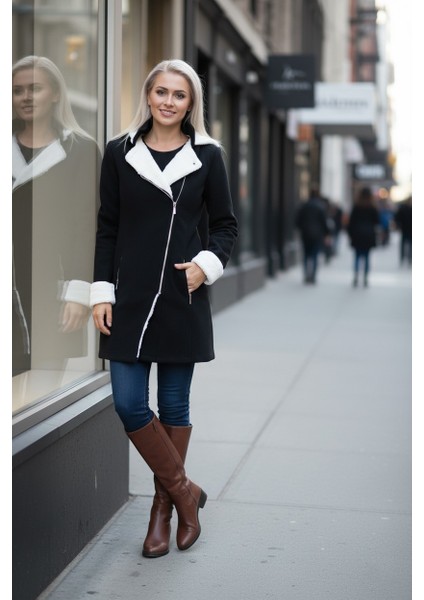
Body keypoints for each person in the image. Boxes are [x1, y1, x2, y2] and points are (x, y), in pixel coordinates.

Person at [90, 59, 238, 558]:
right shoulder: (119, 152)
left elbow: (226, 225)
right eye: (161, 92)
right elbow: (108, 227)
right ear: (148, 95)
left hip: (182, 297)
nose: (168, 102)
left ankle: (162, 510)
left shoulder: (207, 156)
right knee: (129, 403)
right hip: (128, 298)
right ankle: (184, 493)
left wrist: (204, 266)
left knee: (174, 407)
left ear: (191, 103)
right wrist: (101, 291)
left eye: (179, 94)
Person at [12, 55, 101, 376]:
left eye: (35, 88)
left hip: (53, 291)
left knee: (43, 390)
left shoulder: (81, 150)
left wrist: (79, 293)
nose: (25, 97)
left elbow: (86, 226)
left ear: (55, 94)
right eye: (17, 90)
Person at [295, 186, 330, 284]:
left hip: (306, 233)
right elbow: (324, 222)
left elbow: (298, 221)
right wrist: (326, 233)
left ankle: (306, 275)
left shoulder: (304, 206)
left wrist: (302, 228)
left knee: (306, 255)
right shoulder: (320, 207)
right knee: (314, 255)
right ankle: (313, 276)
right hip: (317, 234)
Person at [347, 187, 380, 287]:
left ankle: (356, 276)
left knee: (357, 256)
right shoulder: (372, 207)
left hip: (357, 234)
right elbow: (377, 221)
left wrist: (350, 234)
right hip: (368, 235)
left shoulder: (357, 206)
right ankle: (365, 278)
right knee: (366, 257)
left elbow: (351, 222)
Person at [394, 195, 412, 266]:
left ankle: (409, 258)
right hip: (405, 229)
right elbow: (397, 218)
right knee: (404, 244)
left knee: (409, 245)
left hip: (409, 229)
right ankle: (403, 258)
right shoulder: (403, 208)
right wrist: (398, 226)